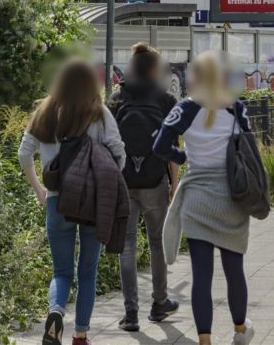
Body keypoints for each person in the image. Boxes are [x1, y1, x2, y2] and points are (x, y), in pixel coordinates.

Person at [18, 58, 126, 345]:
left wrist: (40, 189)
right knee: (87, 272)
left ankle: (55, 313)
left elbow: (23, 153)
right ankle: (80, 336)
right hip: (92, 206)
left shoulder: (46, 111)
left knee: (61, 271)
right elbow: (119, 153)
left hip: (57, 203)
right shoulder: (99, 113)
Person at [154, 51, 255, 345]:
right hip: (231, 197)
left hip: (197, 197)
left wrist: (181, 155)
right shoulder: (236, 107)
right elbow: (249, 147)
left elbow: (160, 145)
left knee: (202, 275)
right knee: (234, 269)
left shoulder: (186, 108)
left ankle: (205, 340)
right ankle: (239, 330)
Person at [107, 43, 180, 331]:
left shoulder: (116, 99)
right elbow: (173, 146)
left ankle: (131, 314)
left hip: (124, 181)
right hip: (154, 181)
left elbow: (109, 144)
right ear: (154, 69)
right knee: (157, 244)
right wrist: (174, 182)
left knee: (126, 246)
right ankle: (159, 303)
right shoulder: (165, 100)